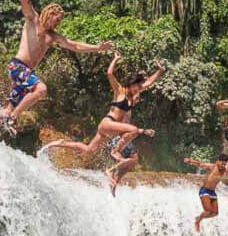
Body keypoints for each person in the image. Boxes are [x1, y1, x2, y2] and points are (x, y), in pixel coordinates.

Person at [0, 0, 113, 132]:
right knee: (41, 89)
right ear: (50, 14)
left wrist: (98, 48)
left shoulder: (53, 36)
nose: (58, 23)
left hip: (25, 73)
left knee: (7, 109)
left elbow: (75, 46)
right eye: (57, 19)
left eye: (60, 21)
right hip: (17, 66)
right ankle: (12, 120)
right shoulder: (33, 20)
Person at [44, 51, 164, 183]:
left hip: (110, 130)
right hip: (108, 122)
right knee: (134, 130)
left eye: (140, 87)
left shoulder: (135, 94)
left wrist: (159, 70)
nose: (138, 89)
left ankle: (62, 143)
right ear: (131, 83)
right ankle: (115, 151)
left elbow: (149, 83)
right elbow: (109, 74)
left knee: (89, 150)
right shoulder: (120, 90)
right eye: (137, 86)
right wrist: (115, 59)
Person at [183, 153, 228, 232]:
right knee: (208, 210)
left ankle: (199, 217)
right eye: (222, 163)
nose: (223, 165)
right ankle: (197, 222)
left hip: (212, 192)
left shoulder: (224, 169)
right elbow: (200, 164)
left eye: (224, 164)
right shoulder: (213, 166)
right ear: (218, 161)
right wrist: (190, 161)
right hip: (204, 191)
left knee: (215, 213)